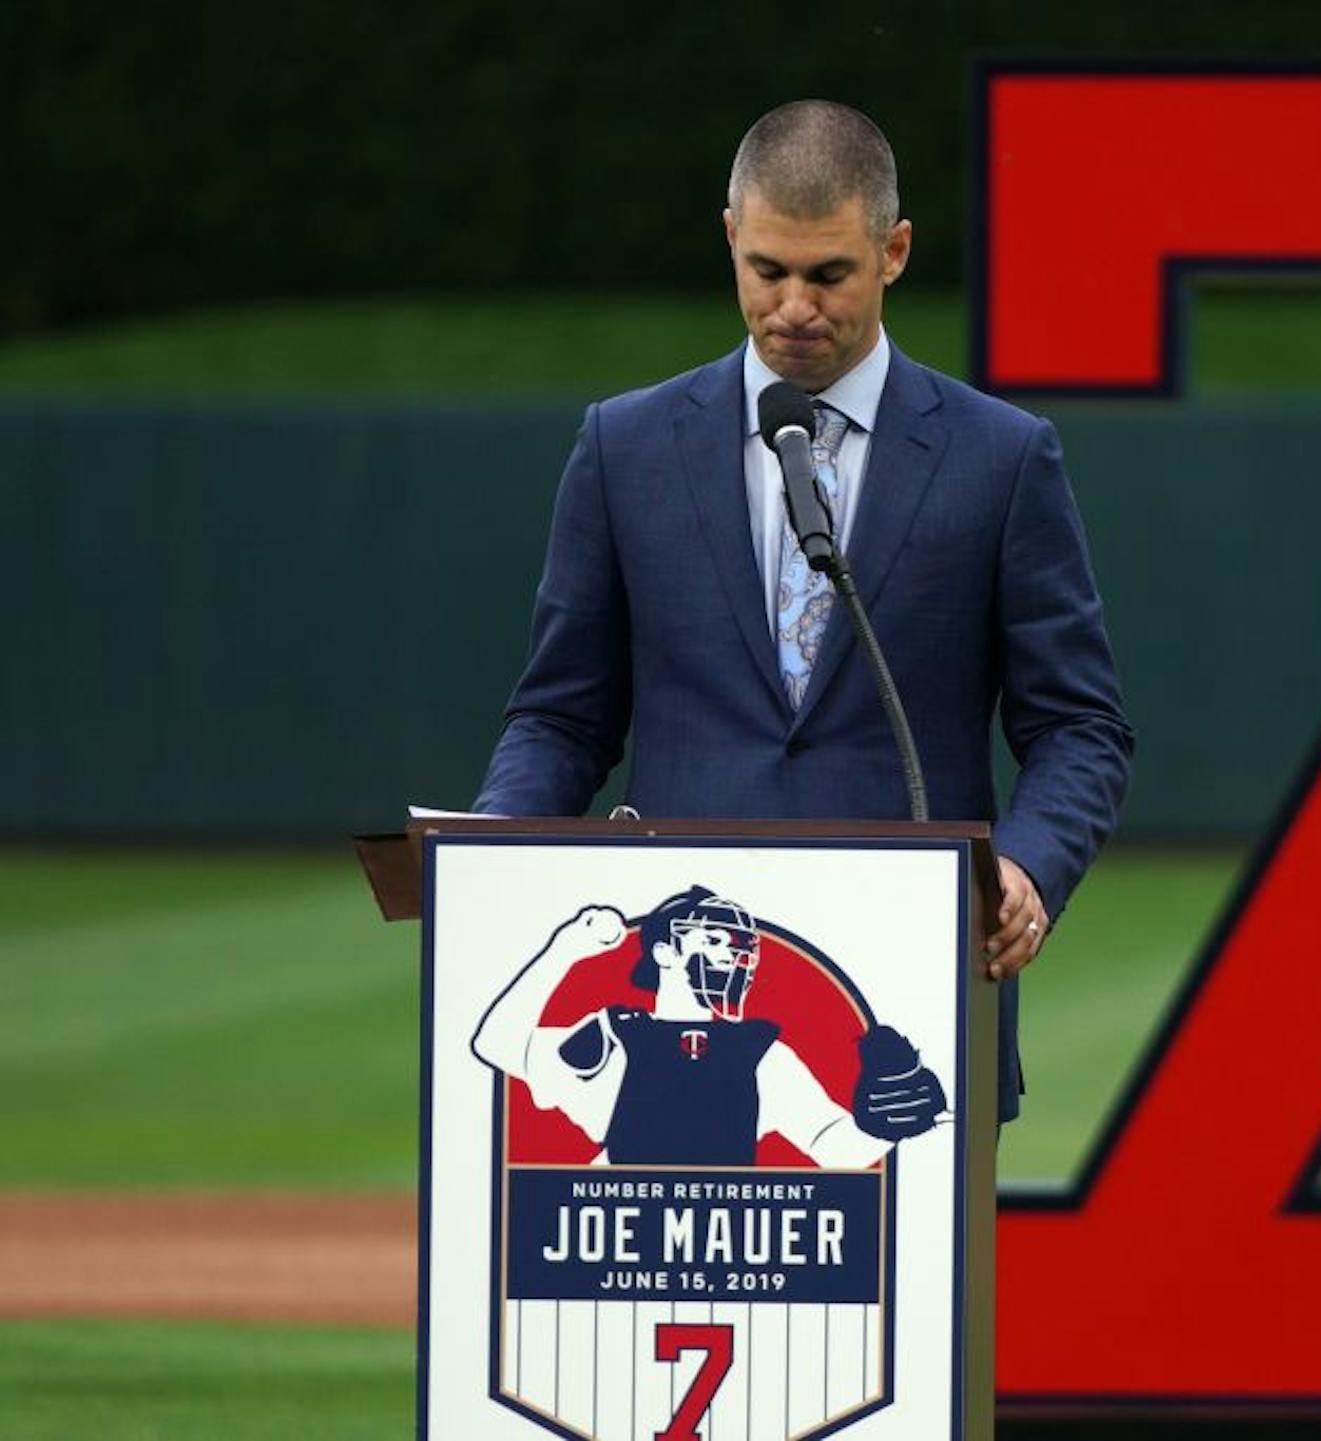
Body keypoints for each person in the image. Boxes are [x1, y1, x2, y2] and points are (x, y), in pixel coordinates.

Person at [472, 101, 1133, 1123]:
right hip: (676, 1009)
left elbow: (1080, 725)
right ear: (731, 236)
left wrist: (1028, 869)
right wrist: (491, 851)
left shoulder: (1002, 459)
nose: (793, 306)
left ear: (895, 251)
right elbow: (563, 715)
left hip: (908, 1007)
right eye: (766, 270)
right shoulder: (624, 448)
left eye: (828, 275)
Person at [469, 888, 944, 1167]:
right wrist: (564, 949)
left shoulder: (759, 1052)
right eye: (714, 940)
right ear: (665, 953)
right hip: (616, 1250)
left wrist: (888, 1125)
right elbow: (495, 1045)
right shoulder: (613, 1036)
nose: (730, 956)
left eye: (738, 946)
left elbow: (830, 1145)